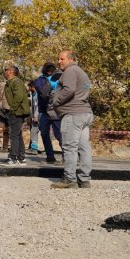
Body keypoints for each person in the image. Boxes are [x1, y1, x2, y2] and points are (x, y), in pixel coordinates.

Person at [49, 50, 94, 189]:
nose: (59, 62)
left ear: (70, 59)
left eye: (62, 59)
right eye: (58, 59)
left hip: (73, 114)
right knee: (83, 147)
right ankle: (84, 180)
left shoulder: (70, 71)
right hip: (84, 113)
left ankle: (70, 179)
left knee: (70, 147)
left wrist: (55, 101)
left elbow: (69, 90)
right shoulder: (82, 73)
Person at [32, 63, 63, 163]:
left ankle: (64, 155)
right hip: (49, 111)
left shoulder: (59, 77)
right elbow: (43, 93)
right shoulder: (42, 80)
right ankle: (51, 156)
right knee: (48, 133)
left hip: (52, 111)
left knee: (56, 134)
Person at [3, 65, 31, 166]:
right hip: (15, 111)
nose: (4, 72)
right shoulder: (10, 82)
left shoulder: (16, 81)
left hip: (16, 112)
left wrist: (12, 109)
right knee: (17, 135)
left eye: (5, 70)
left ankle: (13, 158)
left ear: (10, 71)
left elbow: (18, 97)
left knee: (14, 135)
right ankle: (21, 157)